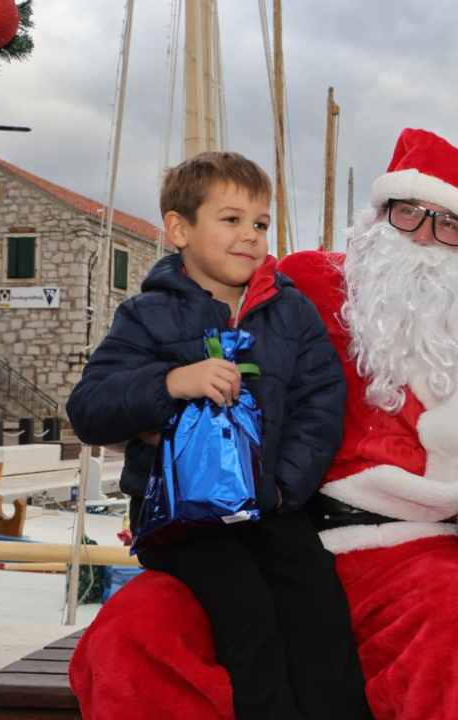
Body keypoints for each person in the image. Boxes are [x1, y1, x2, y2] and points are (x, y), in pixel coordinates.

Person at [65, 151, 371, 720]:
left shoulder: (292, 313)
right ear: (180, 228)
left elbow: (320, 407)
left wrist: (282, 491)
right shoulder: (145, 316)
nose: (250, 236)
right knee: (246, 608)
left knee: (318, 601)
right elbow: (90, 410)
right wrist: (169, 383)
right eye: (231, 219)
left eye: (259, 223)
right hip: (180, 520)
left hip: (270, 509)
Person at [274, 128, 458, 719]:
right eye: (410, 213)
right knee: (140, 628)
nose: (424, 236)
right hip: (288, 538)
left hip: (424, 550)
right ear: (380, 215)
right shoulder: (312, 284)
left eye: (449, 224)